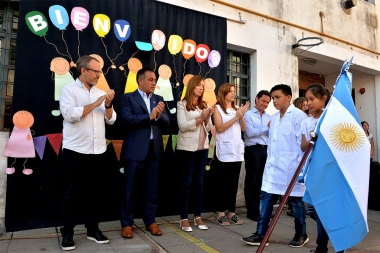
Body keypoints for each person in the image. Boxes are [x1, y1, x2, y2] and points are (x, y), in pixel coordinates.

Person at [59, 55, 116, 251]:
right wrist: (96, 103)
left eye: (100, 71)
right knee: (71, 194)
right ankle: (67, 233)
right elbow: (69, 115)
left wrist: (107, 104)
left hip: (98, 150)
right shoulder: (69, 90)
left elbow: (111, 120)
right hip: (75, 151)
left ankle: (92, 229)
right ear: (83, 70)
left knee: (95, 193)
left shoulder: (101, 93)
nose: (99, 74)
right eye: (95, 71)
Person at [242, 84, 308, 247]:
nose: (274, 101)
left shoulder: (298, 116)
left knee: (296, 203)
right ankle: (260, 233)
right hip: (273, 169)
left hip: (291, 168)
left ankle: (301, 233)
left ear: (288, 97)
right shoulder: (274, 118)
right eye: (273, 98)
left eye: (277, 97)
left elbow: (303, 145)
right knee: (265, 200)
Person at [120, 68, 169, 239]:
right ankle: (127, 224)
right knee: (130, 190)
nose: (154, 83)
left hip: (154, 151)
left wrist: (158, 115)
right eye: (150, 79)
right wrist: (149, 116)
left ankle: (150, 221)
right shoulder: (128, 98)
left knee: (151, 190)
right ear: (140, 81)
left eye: (155, 79)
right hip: (134, 151)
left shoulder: (159, 99)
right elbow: (126, 120)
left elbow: (167, 122)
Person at [300, 84, 346, 253]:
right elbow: (303, 147)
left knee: (325, 211)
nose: (308, 103)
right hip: (313, 172)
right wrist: (312, 138)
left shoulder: (333, 118)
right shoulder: (306, 121)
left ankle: (324, 247)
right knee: (313, 210)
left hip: (330, 172)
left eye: (312, 99)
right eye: (307, 99)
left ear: (323, 98)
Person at [176, 75, 214, 232]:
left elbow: (209, 128)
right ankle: (183, 218)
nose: (201, 88)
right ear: (192, 86)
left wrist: (207, 118)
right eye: (199, 85)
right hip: (187, 149)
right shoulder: (182, 104)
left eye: (203, 86)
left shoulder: (204, 104)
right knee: (186, 183)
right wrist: (201, 118)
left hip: (202, 148)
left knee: (199, 183)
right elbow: (183, 126)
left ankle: (197, 215)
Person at [213, 83, 250, 226]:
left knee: (233, 183)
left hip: (237, 150)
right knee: (223, 183)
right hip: (224, 150)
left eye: (234, 91)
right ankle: (221, 212)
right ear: (223, 94)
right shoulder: (217, 108)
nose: (233, 94)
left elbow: (244, 128)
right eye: (230, 92)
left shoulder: (236, 109)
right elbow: (220, 128)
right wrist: (236, 116)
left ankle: (232, 212)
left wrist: (241, 115)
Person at [243, 90, 271, 221]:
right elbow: (249, 133)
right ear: (256, 99)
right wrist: (266, 129)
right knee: (252, 180)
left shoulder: (268, 117)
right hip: (253, 149)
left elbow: (271, 134)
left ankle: (261, 210)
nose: (265, 104)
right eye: (263, 101)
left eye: (267, 102)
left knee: (263, 181)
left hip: (266, 149)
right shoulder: (248, 114)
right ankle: (251, 210)